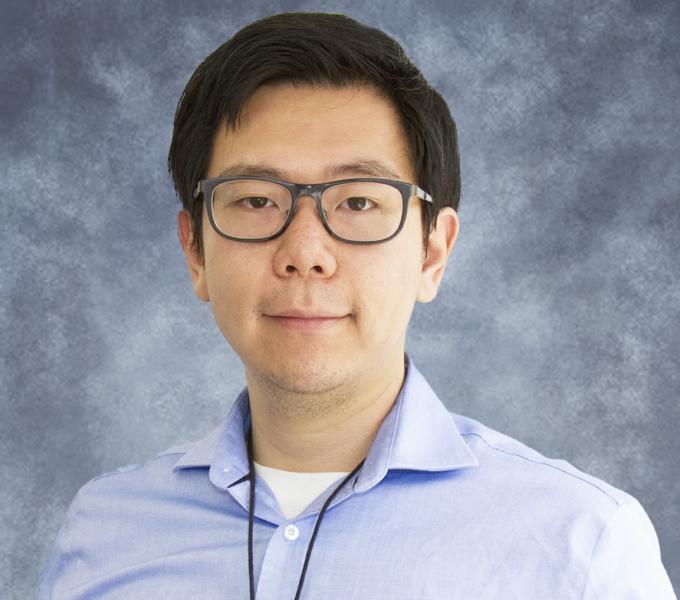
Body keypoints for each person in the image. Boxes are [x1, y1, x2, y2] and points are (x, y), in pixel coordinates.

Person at [39, 12, 676, 600]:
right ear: (196, 252)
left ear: (433, 252)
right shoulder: (104, 535)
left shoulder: (581, 545)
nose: (305, 253)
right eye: (257, 200)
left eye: (359, 202)